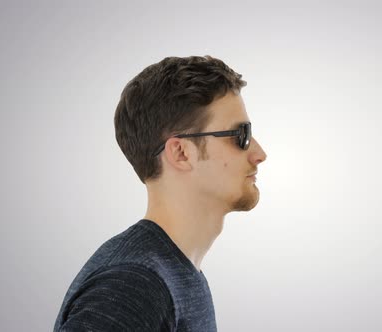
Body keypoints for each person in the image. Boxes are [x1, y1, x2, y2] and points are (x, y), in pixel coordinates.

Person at [53, 55, 267, 331]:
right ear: (180, 152)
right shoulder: (134, 288)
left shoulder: (174, 273)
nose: (259, 154)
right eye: (241, 135)